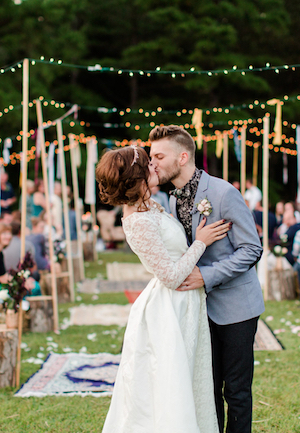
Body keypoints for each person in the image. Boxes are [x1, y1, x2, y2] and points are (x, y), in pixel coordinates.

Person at [96, 142, 231, 433]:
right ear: (137, 177)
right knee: (171, 388)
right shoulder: (138, 221)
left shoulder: (151, 204)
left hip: (185, 304)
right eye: (148, 163)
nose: (154, 165)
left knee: (192, 379)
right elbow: (170, 276)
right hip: (169, 309)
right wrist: (201, 241)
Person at [150, 125, 264, 432]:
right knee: (206, 389)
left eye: (159, 156)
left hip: (237, 306)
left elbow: (253, 249)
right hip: (198, 309)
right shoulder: (173, 200)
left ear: (183, 156)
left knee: (236, 391)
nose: (153, 164)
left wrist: (206, 275)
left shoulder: (223, 193)